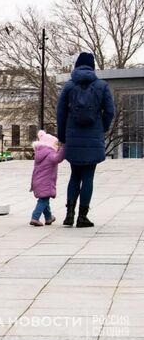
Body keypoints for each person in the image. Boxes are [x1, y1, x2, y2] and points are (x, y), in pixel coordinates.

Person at [56, 52, 115, 228]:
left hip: (73, 136)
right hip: (93, 134)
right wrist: (102, 127)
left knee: (75, 174)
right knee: (88, 176)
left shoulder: (69, 86)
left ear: (76, 66)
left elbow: (60, 112)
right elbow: (110, 111)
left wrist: (62, 136)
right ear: (92, 66)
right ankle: (82, 216)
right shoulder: (102, 86)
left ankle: (69, 214)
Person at [29, 130, 64, 226]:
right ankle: (35, 217)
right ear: (50, 144)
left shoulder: (40, 153)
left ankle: (49, 218)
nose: (57, 146)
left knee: (45, 200)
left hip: (37, 181)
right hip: (46, 181)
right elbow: (58, 158)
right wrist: (64, 148)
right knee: (43, 200)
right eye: (56, 144)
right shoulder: (50, 154)